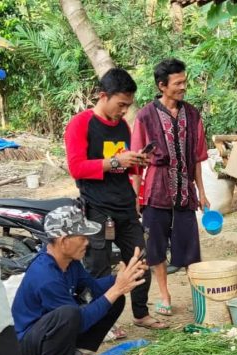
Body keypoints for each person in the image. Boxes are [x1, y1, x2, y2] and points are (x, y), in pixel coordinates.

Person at [64, 67, 165, 330]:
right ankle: (101, 321)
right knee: (98, 266)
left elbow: (125, 167)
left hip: (125, 205)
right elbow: (77, 168)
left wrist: (136, 162)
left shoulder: (122, 126)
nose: (124, 110)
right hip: (97, 208)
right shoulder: (80, 124)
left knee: (141, 259)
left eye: (128, 105)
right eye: (121, 104)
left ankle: (141, 314)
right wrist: (114, 161)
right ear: (102, 96)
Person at [11, 206, 147, 355]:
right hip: (27, 348)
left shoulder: (70, 262)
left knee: (115, 300)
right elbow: (78, 319)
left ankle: (69, 353)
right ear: (63, 241)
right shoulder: (45, 276)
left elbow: (94, 288)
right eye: (82, 237)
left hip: (50, 331)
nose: (87, 242)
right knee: (71, 312)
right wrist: (116, 289)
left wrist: (122, 277)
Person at [131, 58, 209, 317]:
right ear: (162, 85)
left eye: (184, 81)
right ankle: (164, 296)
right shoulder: (144, 117)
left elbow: (197, 158)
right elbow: (137, 163)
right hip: (156, 193)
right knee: (155, 248)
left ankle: (199, 300)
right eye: (178, 83)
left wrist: (202, 192)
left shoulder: (193, 114)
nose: (183, 87)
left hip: (185, 192)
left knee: (190, 248)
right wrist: (135, 197)